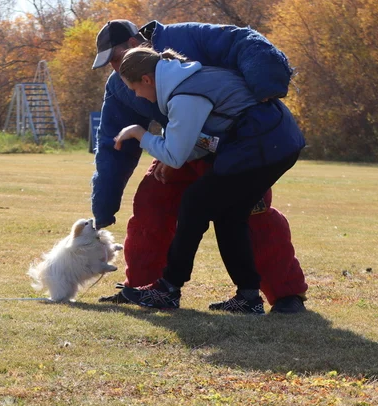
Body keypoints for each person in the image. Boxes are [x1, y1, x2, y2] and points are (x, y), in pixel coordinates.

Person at [91, 20, 307, 313]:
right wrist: (104, 207)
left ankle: (286, 294)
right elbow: (112, 144)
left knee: (253, 214)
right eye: (110, 66)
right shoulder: (122, 85)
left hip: (237, 146)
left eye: (116, 59)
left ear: (133, 46)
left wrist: (267, 82)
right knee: (151, 203)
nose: (117, 72)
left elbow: (242, 41)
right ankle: (142, 287)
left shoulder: (186, 39)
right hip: (183, 145)